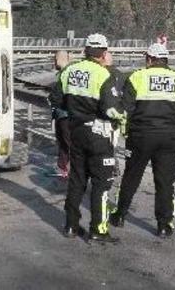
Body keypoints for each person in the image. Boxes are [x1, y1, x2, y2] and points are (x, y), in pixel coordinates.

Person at [109, 43, 175, 238]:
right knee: (165, 183)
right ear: (166, 60)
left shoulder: (137, 77)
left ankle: (120, 215)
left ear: (148, 59)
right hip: (169, 139)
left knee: (131, 178)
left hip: (141, 137)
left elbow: (125, 112)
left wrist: (126, 134)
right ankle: (164, 225)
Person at [52, 34, 126, 243]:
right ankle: (98, 230)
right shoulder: (103, 75)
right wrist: (123, 119)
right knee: (102, 183)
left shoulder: (70, 71)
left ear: (85, 51)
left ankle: (70, 226)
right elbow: (112, 110)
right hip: (99, 135)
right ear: (103, 53)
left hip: (75, 132)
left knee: (77, 180)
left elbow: (55, 99)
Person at [48, 50, 72, 178]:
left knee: (68, 143)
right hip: (62, 114)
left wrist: (53, 99)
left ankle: (70, 170)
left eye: (54, 60)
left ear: (58, 59)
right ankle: (63, 168)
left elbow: (62, 94)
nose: (54, 63)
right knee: (63, 143)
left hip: (66, 114)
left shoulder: (67, 72)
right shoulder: (64, 72)